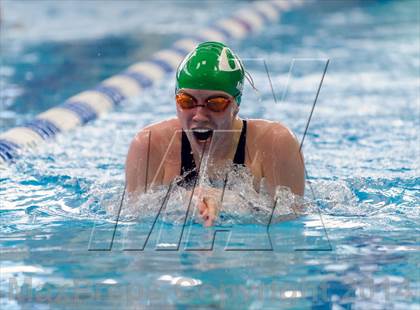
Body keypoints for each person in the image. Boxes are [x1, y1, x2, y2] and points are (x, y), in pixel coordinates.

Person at [125, 41, 305, 226]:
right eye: (187, 101)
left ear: (236, 105)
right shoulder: (150, 144)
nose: (199, 115)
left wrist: (230, 202)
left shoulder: (275, 143)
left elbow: (291, 219)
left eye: (215, 103)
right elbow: (135, 217)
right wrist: (183, 201)